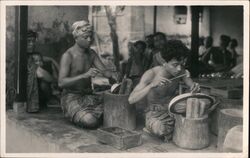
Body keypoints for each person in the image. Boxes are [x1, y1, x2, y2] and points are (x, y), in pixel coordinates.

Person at [128, 40, 200, 142]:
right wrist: (152, 85)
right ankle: (156, 127)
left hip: (172, 110)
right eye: (175, 65)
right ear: (164, 63)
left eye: (182, 63)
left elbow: (192, 86)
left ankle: (174, 125)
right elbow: (131, 99)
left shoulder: (181, 70)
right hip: (154, 113)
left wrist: (194, 87)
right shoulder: (151, 74)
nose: (179, 68)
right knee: (160, 129)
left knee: (201, 105)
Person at [58, 20, 117, 128]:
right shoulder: (68, 55)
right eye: (85, 37)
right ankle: (85, 114)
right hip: (72, 96)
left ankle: (96, 114)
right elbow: (61, 83)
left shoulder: (91, 53)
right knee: (90, 121)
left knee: (116, 107)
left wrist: (112, 75)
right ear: (76, 38)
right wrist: (84, 75)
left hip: (89, 95)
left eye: (90, 37)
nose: (89, 40)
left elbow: (104, 71)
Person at [26, 30, 60, 112]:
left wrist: (52, 60)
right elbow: (41, 74)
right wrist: (59, 82)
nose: (32, 44)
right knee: (44, 82)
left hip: (35, 88)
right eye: (28, 41)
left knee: (45, 79)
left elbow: (44, 58)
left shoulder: (33, 55)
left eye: (33, 41)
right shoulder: (23, 57)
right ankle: (52, 97)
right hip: (25, 91)